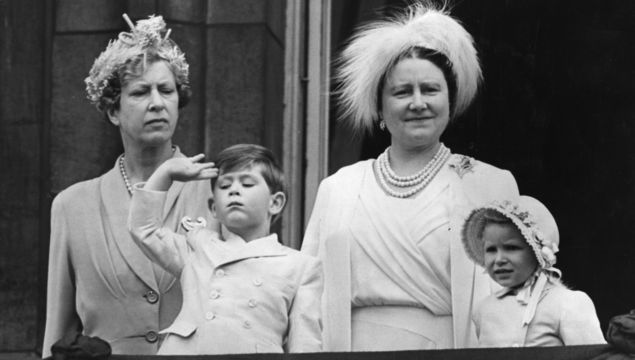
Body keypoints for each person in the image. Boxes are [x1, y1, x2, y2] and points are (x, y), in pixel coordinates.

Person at [301, 2, 520, 351]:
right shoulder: (339, 187)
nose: (417, 103)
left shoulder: (488, 184)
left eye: (430, 90)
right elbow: (308, 299)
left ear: (450, 102)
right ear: (380, 109)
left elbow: (513, 302)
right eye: (402, 92)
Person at [42, 14, 216, 357]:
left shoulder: (216, 190)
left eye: (166, 90)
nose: (156, 102)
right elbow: (58, 333)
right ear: (113, 110)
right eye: (140, 92)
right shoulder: (72, 205)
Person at [128, 144, 323, 354]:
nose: (234, 190)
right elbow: (144, 229)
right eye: (224, 186)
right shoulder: (197, 248)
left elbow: (305, 346)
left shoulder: (300, 266)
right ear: (213, 208)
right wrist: (165, 173)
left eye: (247, 183)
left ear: (275, 203)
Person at [462, 196, 606, 347]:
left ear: (537, 252)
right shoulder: (484, 309)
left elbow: (592, 356)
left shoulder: (568, 303)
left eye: (511, 248)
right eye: (491, 249)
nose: (499, 259)